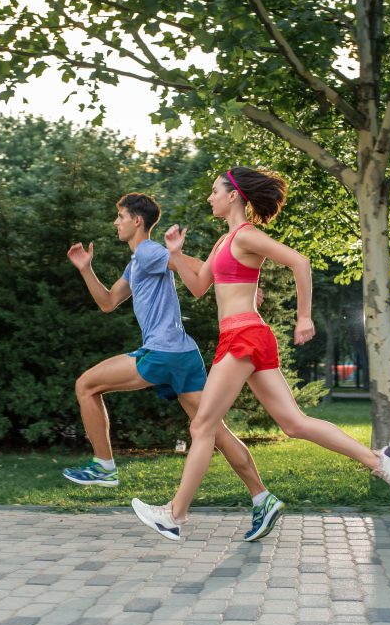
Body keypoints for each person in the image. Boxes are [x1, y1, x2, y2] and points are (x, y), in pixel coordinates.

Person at [131, 168, 390, 541]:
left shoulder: (247, 236)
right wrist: (176, 255)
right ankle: (379, 461)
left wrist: (304, 316)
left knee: (201, 426)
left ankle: (174, 515)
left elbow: (300, 262)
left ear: (233, 196)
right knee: (293, 423)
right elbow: (198, 288)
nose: (210, 198)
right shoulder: (223, 243)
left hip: (244, 336)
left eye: (215, 191)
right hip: (244, 337)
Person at [64, 193, 285, 541]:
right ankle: (262, 497)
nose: (116, 222)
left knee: (86, 385)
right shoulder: (137, 262)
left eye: (120, 216)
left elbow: (201, 268)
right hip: (183, 354)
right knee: (213, 430)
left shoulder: (150, 252)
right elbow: (108, 302)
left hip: (163, 353)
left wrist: (242, 287)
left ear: (137, 221)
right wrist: (86, 269)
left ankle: (104, 467)